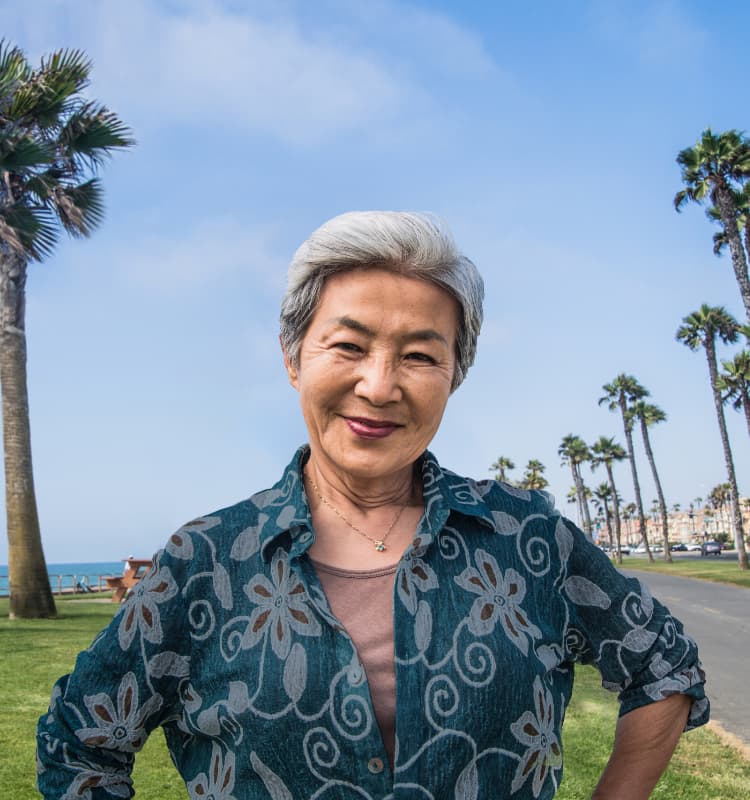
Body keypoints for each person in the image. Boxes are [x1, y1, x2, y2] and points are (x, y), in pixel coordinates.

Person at [37, 211, 708, 799]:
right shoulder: (208, 561)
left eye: (419, 355)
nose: (379, 385)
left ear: (455, 376)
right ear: (294, 356)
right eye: (349, 346)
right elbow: (79, 742)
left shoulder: (525, 537)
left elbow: (665, 668)